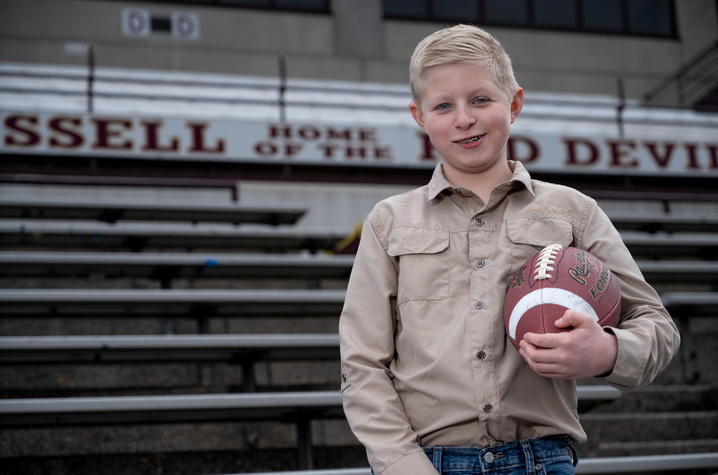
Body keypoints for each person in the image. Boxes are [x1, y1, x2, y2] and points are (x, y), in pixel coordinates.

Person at [338, 24, 680, 475]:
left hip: (542, 457)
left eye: (481, 99)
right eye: (443, 106)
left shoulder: (572, 211)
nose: (464, 119)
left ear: (514, 103)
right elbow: (362, 362)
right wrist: (403, 465)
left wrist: (607, 352)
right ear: (420, 116)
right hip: (429, 462)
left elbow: (658, 326)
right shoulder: (389, 222)